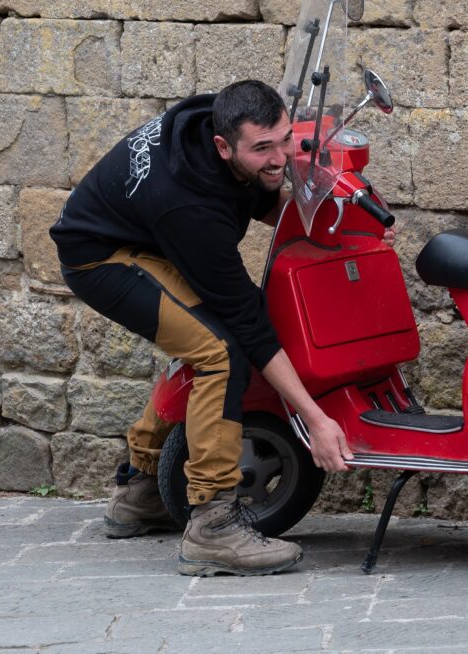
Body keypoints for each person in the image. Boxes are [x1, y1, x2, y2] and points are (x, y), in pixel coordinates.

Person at [50, 80, 366, 577]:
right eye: (262, 148)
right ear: (224, 146)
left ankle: (144, 487)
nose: (279, 157)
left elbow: (255, 196)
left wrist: (342, 221)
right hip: (102, 258)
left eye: (284, 139)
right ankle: (213, 527)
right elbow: (250, 323)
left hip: (145, 231)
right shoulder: (188, 210)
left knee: (210, 335)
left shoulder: (211, 117)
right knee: (221, 351)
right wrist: (314, 420)